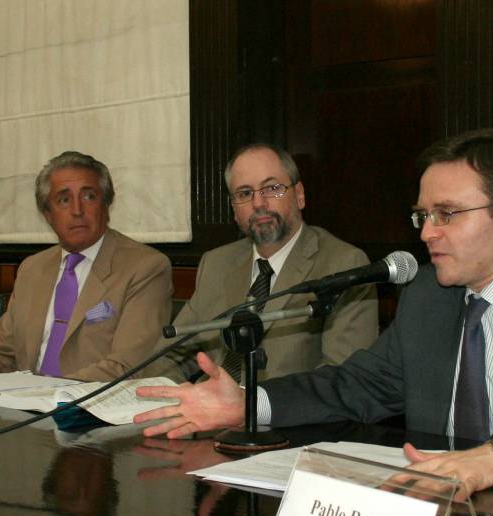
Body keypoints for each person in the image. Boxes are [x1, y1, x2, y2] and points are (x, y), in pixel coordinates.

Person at [134, 129, 493, 497]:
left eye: (447, 214)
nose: (426, 231)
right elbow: (355, 386)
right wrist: (252, 403)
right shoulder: (430, 295)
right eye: (423, 214)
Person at [143, 143, 377, 383]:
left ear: (299, 195)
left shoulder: (344, 264)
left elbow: (344, 379)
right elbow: (170, 353)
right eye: (244, 193)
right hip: (207, 414)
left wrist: (247, 406)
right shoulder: (216, 263)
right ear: (234, 210)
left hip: (284, 417)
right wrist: (181, 396)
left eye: (272, 188)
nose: (258, 203)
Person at [0, 151, 173, 381]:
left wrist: (43, 393)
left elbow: (126, 366)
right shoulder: (32, 268)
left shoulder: (145, 267)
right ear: (47, 214)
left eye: (89, 197)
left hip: (90, 407)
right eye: (64, 200)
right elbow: (2, 353)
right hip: (24, 404)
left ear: (106, 205)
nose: (77, 211)